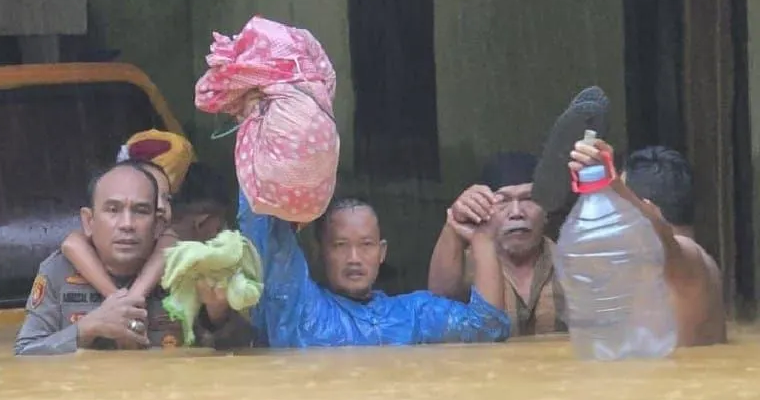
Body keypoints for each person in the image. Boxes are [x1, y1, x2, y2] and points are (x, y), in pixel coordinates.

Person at [15, 162, 251, 355]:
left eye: (140, 211)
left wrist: (219, 317)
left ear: (158, 224)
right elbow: (25, 353)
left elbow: (247, 351)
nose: (127, 224)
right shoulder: (58, 271)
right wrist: (86, 329)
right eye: (113, 210)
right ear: (89, 221)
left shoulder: (184, 267)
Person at [239, 189, 512, 348]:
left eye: (366, 245)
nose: (354, 258)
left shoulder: (412, 315)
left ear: (382, 252)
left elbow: (487, 328)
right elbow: (263, 225)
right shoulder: (298, 308)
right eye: (340, 245)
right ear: (319, 252)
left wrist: (483, 236)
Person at [568, 139, 725, 347]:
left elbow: (663, 238)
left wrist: (613, 184)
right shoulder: (684, 268)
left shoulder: (688, 258)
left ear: (647, 209)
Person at [427, 152, 566, 337]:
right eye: (502, 201)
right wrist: (453, 228)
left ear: (546, 210)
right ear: (483, 207)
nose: (516, 212)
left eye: (528, 199)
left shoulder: (572, 261)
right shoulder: (467, 263)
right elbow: (438, 304)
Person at [60, 130, 194, 304]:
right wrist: (121, 301)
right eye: (154, 197)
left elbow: (167, 246)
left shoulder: (177, 253)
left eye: (166, 198)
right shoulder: (62, 266)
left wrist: (128, 300)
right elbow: (72, 244)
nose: (161, 206)